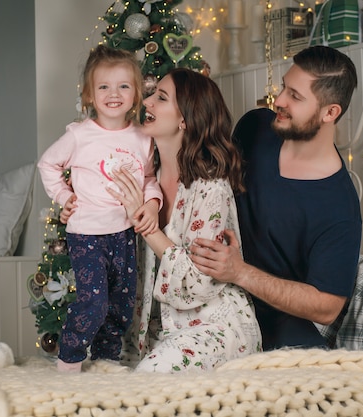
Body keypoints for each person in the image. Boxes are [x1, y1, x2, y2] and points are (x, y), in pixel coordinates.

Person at [189, 45, 362, 350]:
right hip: (206, 295)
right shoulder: (255, 128)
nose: (279, 100)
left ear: (330, 112)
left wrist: (239, 272)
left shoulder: (339, 206)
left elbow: (327, 306)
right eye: (284, 87)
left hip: (274, 326)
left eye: (295, 96)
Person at [103, 67, 262, 373]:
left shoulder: (211, 188)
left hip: (215, 328)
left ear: (185, 119)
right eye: (152, 95)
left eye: (161, 98)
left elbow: (198, 283)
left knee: (152, 375)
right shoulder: (142, 178)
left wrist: (146, 226)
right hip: (155, 334)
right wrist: (74, 208)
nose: (147, 102)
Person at [37, 45, 163, 372]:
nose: (113, 93)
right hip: (87, 233)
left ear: (136, 94)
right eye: (104, 86)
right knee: (94, 303)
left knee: (121, 306)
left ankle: (107, 362)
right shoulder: (80, 136)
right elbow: (47, 165)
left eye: (123, 86)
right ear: (89, 95)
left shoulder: (142, 137)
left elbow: (149, 177)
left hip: (124, 234)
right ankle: (70, 359)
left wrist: (152, 203)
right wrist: (66, 198)